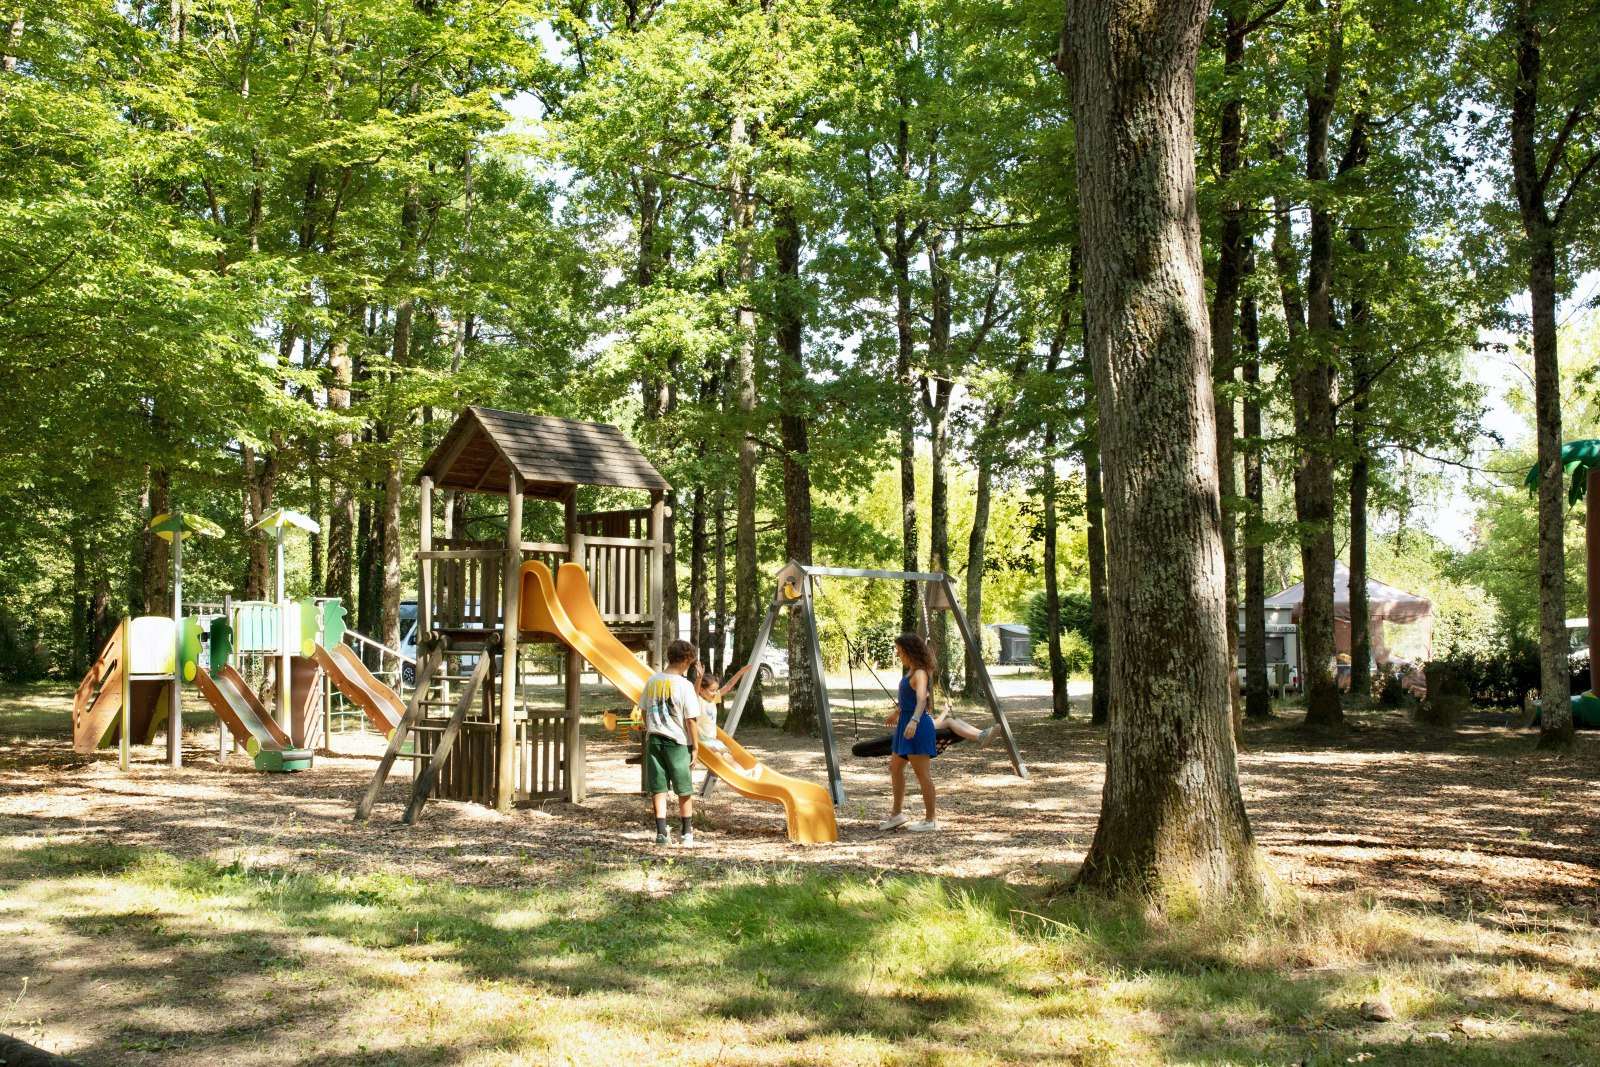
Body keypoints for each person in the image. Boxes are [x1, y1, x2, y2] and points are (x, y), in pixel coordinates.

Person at [640, 639, 701, 846]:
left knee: (659, 788)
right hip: (677, 742)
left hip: (655, 740)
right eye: (690, 663)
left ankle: (661, 833)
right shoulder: (684, 685)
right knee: (684, 788)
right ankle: (686, 833)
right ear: (685, 661)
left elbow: (644, 711)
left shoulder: (652, 681)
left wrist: (652, 727)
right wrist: (695, 747)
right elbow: (691, 719)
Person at [879, 632, 941, 833]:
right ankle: (896, 814)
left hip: (918, 725)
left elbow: (922, 699)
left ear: (910, 650)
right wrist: (896, 714)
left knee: (922, 774)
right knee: (894, 768)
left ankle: (931, 819)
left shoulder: (920, 673)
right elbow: (910, 699)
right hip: (905, 723)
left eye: (900, 651)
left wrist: (914, 721)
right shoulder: (911, 671)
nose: (899, 655)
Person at [692, 662, 752, 757]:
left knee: (726, 755)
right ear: (701, 690)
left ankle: (744, 772)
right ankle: (742, 772)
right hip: (702, 740)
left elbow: (729, 685)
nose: (715, 693)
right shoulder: (697, 701)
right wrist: (699, 677)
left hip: (712, 739)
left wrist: (740, 673)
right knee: (718, 756)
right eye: (712, 691)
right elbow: (695, 692)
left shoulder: (713, 700)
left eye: (716, 690)